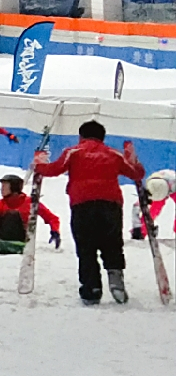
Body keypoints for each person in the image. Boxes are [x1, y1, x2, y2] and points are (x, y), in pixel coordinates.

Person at [34, 119, 146, 304]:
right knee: (112, 244)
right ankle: (116, 278)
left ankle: (91, 288)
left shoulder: (73, 152)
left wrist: (39, 161)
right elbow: (136, 174)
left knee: (86, 248)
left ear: (81, 136)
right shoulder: (114, 154)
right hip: (111, 205)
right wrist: (134, 160)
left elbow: (54, 170)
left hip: (82, 204)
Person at [0, 174, 61, 245]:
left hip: (18, 236)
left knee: (13, 214)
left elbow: (52, 218)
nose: (1, 189)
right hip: (0, 233)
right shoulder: (0, 203)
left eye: (4, 186)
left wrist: (55, 231)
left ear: (14, 188)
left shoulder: (30, 203)